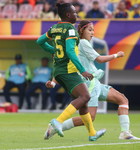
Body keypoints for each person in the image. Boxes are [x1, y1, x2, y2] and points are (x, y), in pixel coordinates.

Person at [45, 20, 140, 140]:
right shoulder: (83, 43)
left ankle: (125, 133)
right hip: (89, 84)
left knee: (122, 99)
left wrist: (54, 82)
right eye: (90, 30)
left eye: (93, 30)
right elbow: (100, 59)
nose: (92, 33)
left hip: (95, 82)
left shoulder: (73, 44)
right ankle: (56, 126)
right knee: (90, 117)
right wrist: (117, 55)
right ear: (81, 31)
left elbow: (65, 66)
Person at [36, 2, 106, 141]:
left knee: (83, 103)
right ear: (68, 15)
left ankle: (92, 133)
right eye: (74, 13)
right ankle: (58, 121)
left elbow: (40, 41)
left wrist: (54, 51)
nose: (76, 15)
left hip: (59, 70)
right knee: (85, 97)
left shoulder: (54, 28)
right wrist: (82, 70)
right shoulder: (71, 29)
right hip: (69, 71)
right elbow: (69, 50)